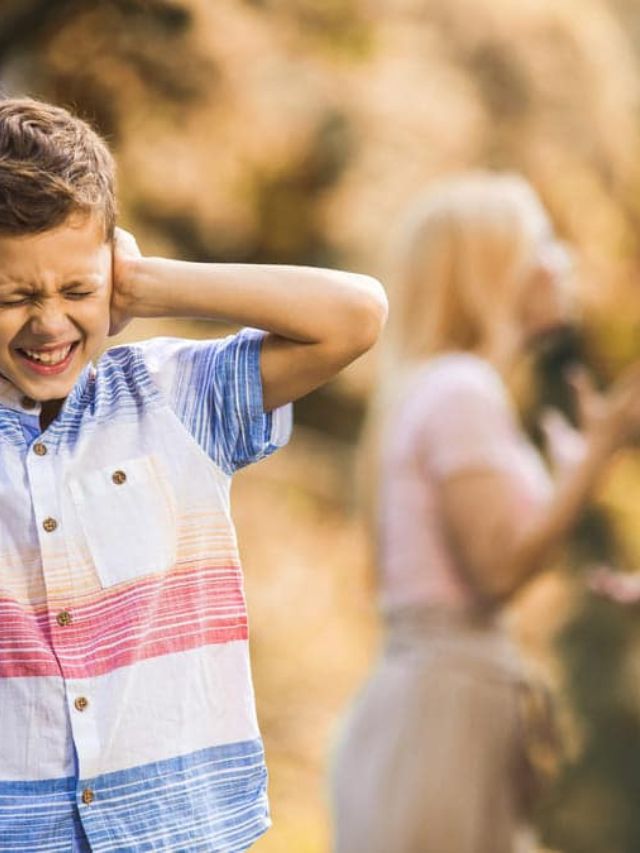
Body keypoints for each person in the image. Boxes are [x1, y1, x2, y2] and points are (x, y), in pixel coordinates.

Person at [0, 97, 387, 851]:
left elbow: (355, 314)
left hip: (186, 832)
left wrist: (149, 285)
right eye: (15, 296)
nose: (49, 323)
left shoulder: (173, 396)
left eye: (77, 290)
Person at [330, 172, 640, 853]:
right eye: (544, 243)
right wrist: (599, 456)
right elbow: (498, 570)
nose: (564, 262)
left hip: (442, 702)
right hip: (445, 713)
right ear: (496, 271)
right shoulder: (460, 390)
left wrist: (580, 469)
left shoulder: (442, 387)